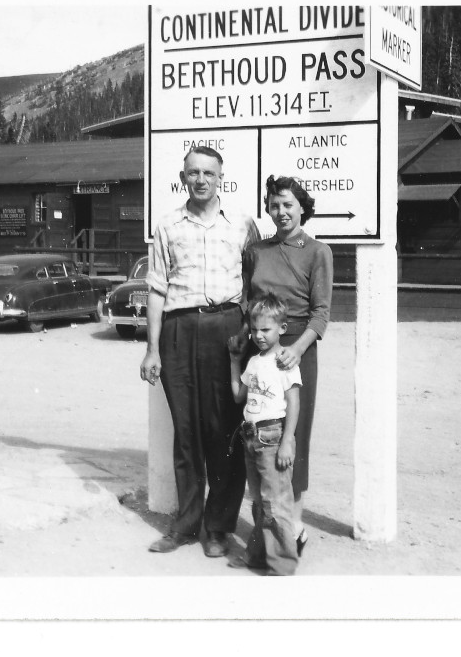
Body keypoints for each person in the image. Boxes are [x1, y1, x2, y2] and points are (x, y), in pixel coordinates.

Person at [140, 145, 260, 558]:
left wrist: (246, 331)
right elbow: (156, 289)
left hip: (226, 330)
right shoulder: (168, 225)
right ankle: (186, 524)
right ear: (183, 177)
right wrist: (152, 350)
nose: (201, 180)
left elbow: (255, 285)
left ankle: (218, 528)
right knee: (186, 431)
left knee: (224, 429)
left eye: (209, 173)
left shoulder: (243, 225)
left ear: (221, 178)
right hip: (178, 329)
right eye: (193, 173)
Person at [240, 175, 333, 557]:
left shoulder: (317, 252)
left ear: (302, 208)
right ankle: (266, 524)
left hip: (298, 350)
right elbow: (247, 300)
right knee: (259, 432)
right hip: (260, 346)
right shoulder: (258, 251)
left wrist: (295, 348)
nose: (281, 212)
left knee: (294, 437)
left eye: (288, 205)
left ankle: (293, 526)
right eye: (275, 205)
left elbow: (322, 312)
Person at [227, 294, 301, 575]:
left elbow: (293, 403)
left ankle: (282, 564)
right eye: (255, 329)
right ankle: (259, 556)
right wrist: (235, 361)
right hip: (250, 436)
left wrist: (286, 443)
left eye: (266, 330)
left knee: (276, 502)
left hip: (273, 436)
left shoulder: (285, 361)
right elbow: (238, 397)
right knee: (259, 503)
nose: (259, 335)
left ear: (282, 328)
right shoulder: (254, 362)